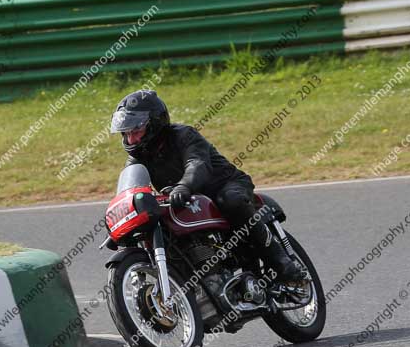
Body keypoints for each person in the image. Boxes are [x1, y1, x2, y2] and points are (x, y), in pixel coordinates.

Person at [109, 89, 302, 284]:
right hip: (188, 201)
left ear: (154, 124)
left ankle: (282, 263)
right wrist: (123, 221)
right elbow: (130, 190)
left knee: (231, 201)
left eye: (136, 131)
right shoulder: (136, 159)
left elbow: (197, 164)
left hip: (225, 185)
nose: (131, 139)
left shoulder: (183, 135)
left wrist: (184, 186)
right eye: (126, 133)